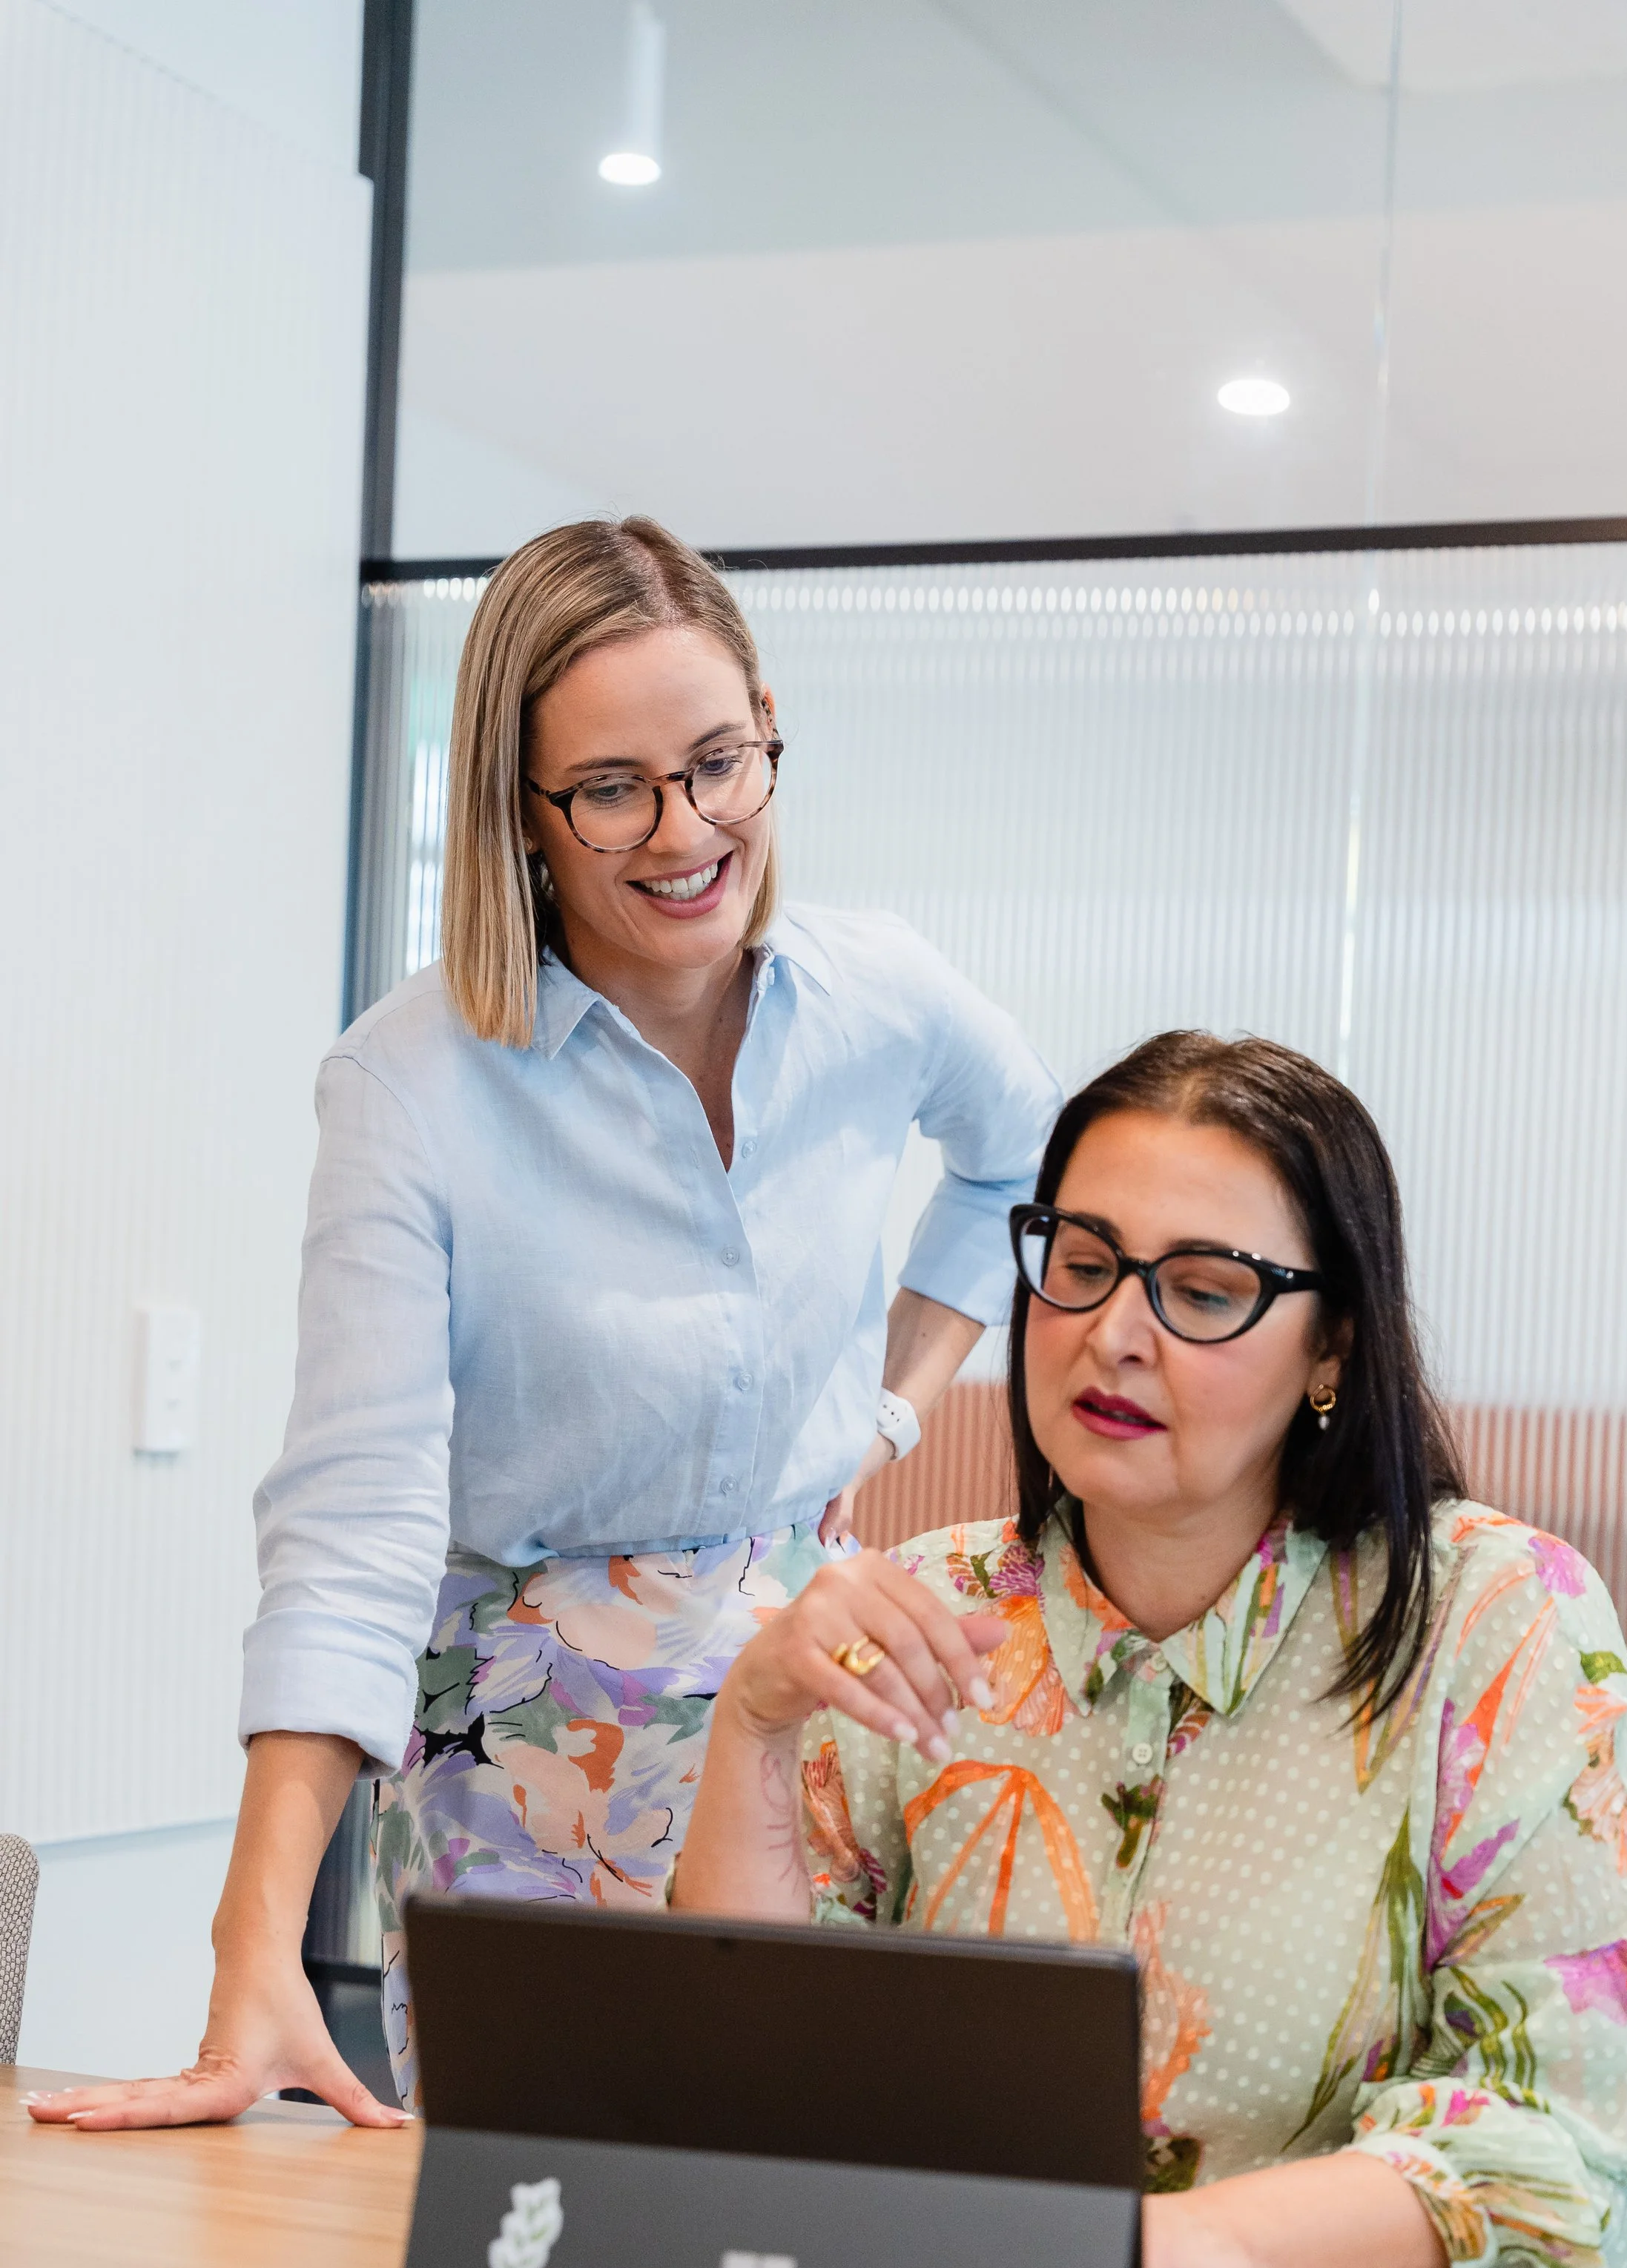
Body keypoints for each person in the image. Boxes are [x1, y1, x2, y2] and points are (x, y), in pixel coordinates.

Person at [30, 516, 1057, 2133]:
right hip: (526, 1738)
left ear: (766, 728)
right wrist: (253, 1933)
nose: (683, 830)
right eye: (611, 789)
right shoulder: (415, 1084)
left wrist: (890, 1409)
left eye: (721, 762)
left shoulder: (882, 1000)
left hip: (804, 1685)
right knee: (546, 2242)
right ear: (521, 810)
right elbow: (356, 1515)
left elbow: (1019, 1160)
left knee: (812, 2215)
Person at [673, 1029, 1627, 2268]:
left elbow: (1561, 2134)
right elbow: (746, 2101)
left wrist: (1159, 2253)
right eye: (1081, 1267)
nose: (1112, 1335)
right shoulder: (934, 1608)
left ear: (1333, 1351)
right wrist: (752, 1725)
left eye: (1203, 1293)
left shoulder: (1497, 1621)